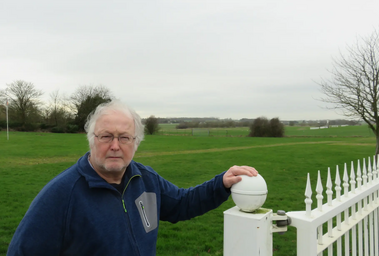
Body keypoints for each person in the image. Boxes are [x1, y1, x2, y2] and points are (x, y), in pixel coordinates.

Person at [7, 100, 258, 256]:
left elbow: (182, 203)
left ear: (136, 143)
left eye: (124, 137)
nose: (115, 146)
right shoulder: (61, 195)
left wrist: (221, 183)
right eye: (106, 136)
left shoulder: (145, 180)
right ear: (91, 139)